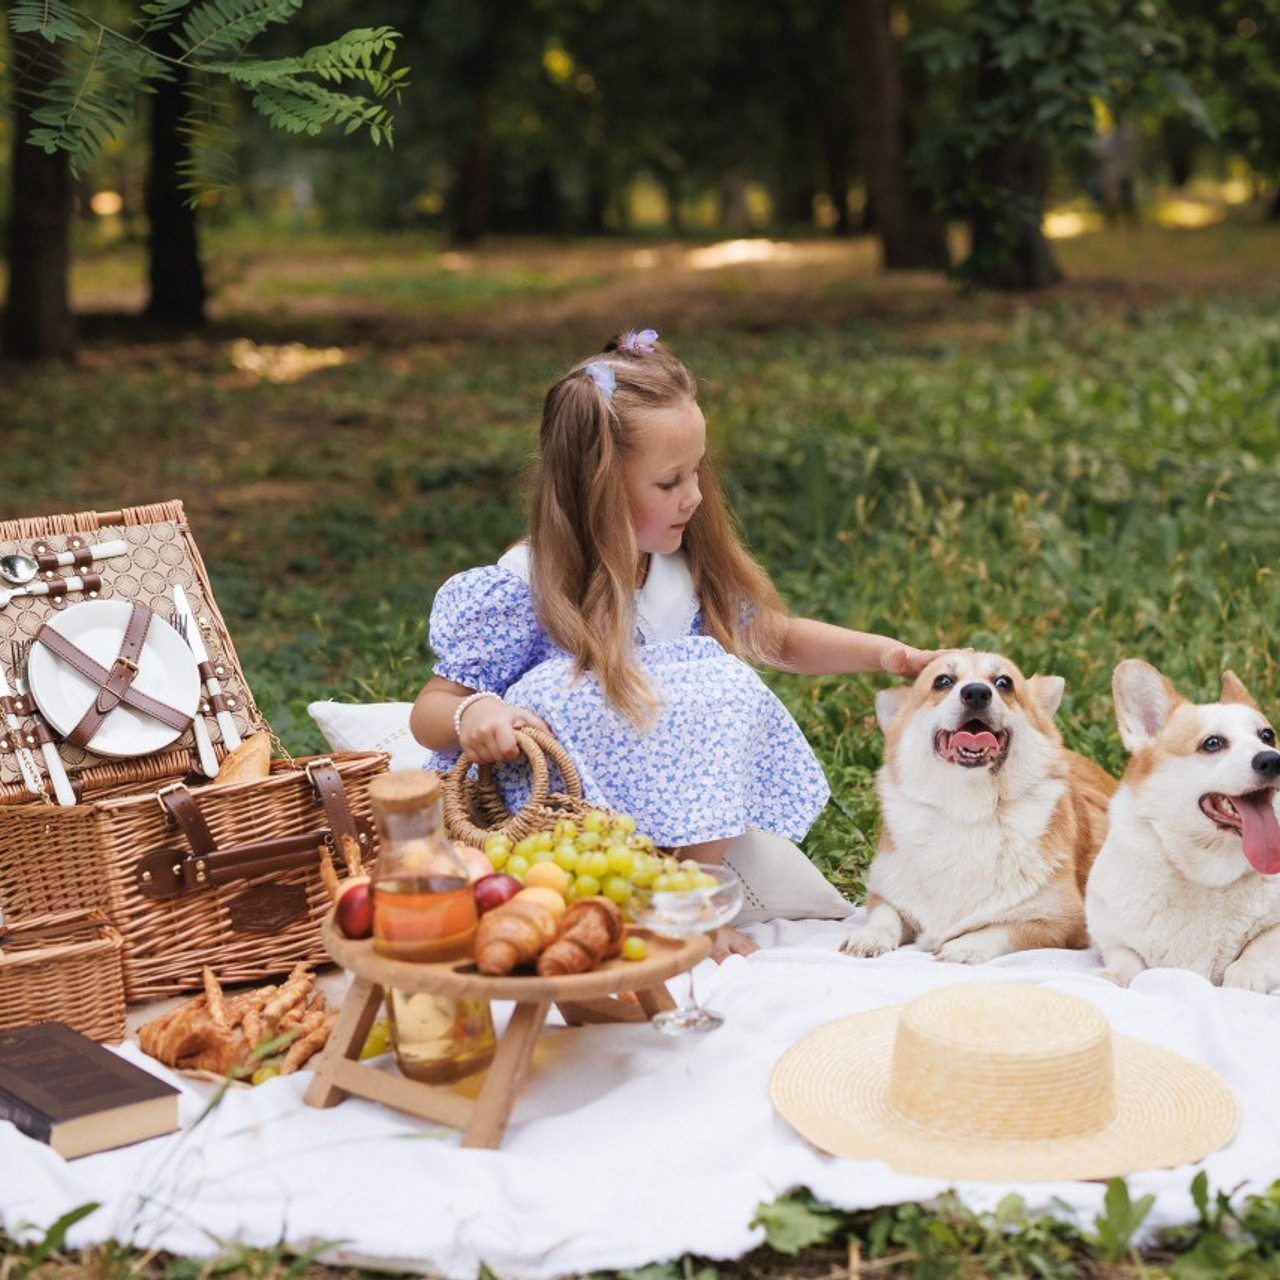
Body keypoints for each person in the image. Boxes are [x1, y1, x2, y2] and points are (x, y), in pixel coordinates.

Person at [412, 328, 936, 951]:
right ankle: (626, 903)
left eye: (697, 473)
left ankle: (688, 894)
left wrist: (886, 654)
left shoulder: (678, 571)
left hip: (664, 825)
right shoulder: (527, 585)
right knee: (563, 688)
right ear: (594, 487)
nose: (694, 496)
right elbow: (430, 711)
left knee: (722, 681)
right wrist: (476, 712)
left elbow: (776, 638)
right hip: (558, 827)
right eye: (669, 483)